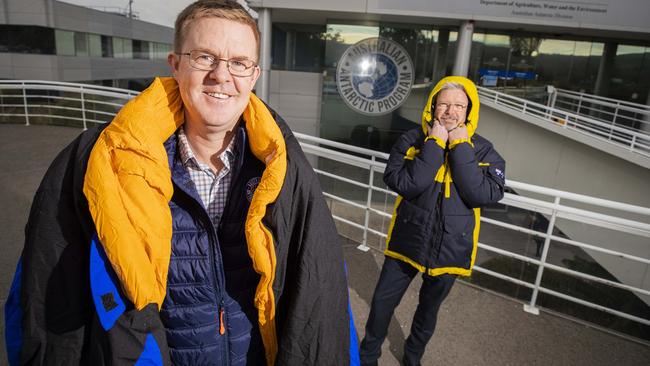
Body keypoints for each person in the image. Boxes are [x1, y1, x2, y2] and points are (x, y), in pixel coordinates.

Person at [4, 1, 357, 365]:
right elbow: (41, 301)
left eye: (239, 63)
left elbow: (324, 294)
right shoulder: (107, 166)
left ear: (254, 75)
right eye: (204, 57)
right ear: (175, 65)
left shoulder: (284, 171)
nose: (222, 75)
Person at [359, 76, 506, 366]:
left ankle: (412, 357)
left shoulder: (485, 151)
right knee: (381, 303)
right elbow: (405, 183)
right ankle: (368, 355)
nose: (451, 111)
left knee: (427, 312)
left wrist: (461, 147)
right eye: (444, 104)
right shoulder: (411, 140)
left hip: (451, 249)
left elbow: (481, 194)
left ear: (469, 111)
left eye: (459, 106)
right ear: (432, 107)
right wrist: (435, 143)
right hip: (406, 241)